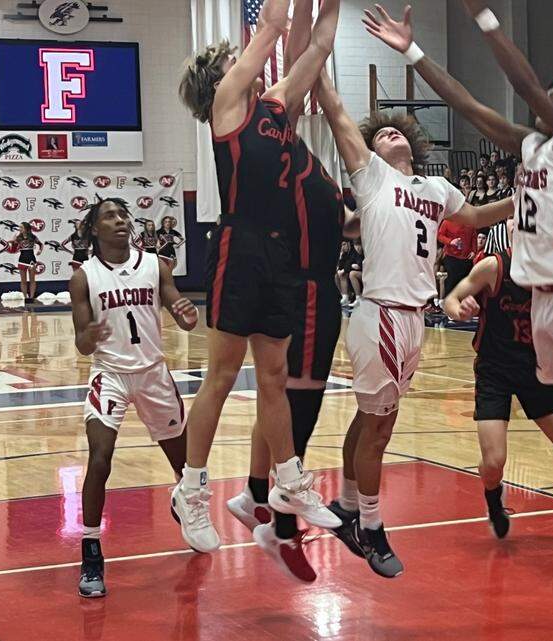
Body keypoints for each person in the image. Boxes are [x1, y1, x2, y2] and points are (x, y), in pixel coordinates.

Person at [364, 0, 553, 607]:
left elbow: (523, 84)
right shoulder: (531, 150)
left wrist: (485, 16)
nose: (543, 104)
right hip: (542, 306)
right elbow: (466, 105)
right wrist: (411, 52)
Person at [317, 14, 514, 578]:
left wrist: (521, 195)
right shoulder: (374, 178)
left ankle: (349, 505)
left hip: (415, 317)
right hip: (380, 311)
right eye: (379, 134)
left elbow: (474, 216)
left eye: (395, 130)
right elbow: (335, 115)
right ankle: (373, 529)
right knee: (382, 427)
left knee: (370, 416)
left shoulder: (434, 187)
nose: (389, 135)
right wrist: (317, 60)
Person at [173, 0, 343, 559]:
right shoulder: (227, 106)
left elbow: (316, 47)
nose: (243, 61)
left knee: (273, 377)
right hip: (239, 247)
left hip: (282, 257)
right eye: (233, 59)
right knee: (221, 376)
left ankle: (290, 485)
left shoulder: (274, 108)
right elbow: (273, 25)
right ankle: (192, 490)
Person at [222, 4, 355, 582]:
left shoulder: (320, 171)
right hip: (297, 284)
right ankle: (279, 521)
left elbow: (308, 52)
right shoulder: (279, 141)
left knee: (281, 399)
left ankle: (256, 494)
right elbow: (307, 50)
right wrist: (312, 9)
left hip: (316, 285)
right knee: (296, 401)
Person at [70, 198, 200, 598]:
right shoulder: (84, 277)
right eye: (110, 216)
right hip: (110, 376)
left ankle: (187, 508)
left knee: (184, 464)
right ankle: (91, 550)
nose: (120, 221)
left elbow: (179, 307)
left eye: (124, 215)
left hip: (153, 374)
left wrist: (185, 315)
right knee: (99, 458)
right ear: (94, 229)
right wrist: (88, 337)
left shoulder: (154, 265)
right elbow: (81, 345)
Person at [443, 218, 553, 542]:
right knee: (494, 462)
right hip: (494, 371)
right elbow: (450, 300)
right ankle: (493, 498)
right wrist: (460, 309)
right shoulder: (494, 266)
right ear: (514, 234)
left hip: (536, 370)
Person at [437, 215, 477, 302]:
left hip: (466, 258)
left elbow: (474, 236)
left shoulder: (470, 221)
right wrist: (450, 241)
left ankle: (461, 304)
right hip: (451, 256)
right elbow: (440, 235)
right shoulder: (448, 221)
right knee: (451, 281)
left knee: (465, 282)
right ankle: (448, 304)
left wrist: (474, 250)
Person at [14, 222, 43, 305]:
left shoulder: (33, 237)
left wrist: (40, 251)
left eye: (21, 227)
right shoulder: (18, 237)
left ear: (26, 228)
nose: (20, 229)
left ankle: (31, 297)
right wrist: (13, 241)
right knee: (23, 280)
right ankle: (25, 297)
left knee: (32, 280)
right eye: (19, 227)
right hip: (22, 260)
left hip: (31, 259)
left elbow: (40, 244)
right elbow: (13, 248)